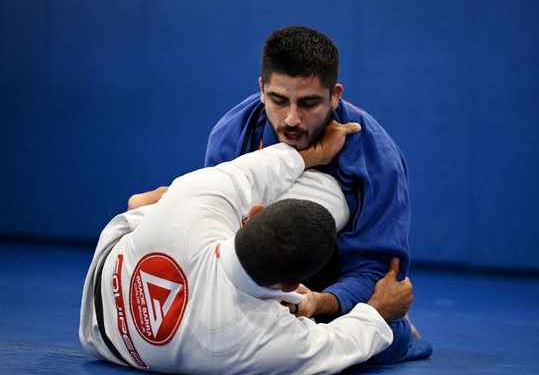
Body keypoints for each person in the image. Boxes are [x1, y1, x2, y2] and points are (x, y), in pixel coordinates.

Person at [128, 25, 432, 363]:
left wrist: (319, 302)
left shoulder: (377, 159)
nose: (292, 119)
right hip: (255, 277)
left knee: (384, 341)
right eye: (278, 100)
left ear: (335, 96)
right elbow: (219, 237)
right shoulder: (233, 135)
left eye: (309, 103)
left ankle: (392, 324)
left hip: (331, 287)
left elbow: (375, 272)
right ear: (262, 89)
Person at [80, 120, 416, 374]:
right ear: (293, 287)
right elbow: (343, 341)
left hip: (107, 277)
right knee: (393, 335)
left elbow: (264, 167)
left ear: (253, 215)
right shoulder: (262, 339)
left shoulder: (196, 201)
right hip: (116, 344)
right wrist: (379, 311)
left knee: (187, 193)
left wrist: (315, 153)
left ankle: (146, 204)